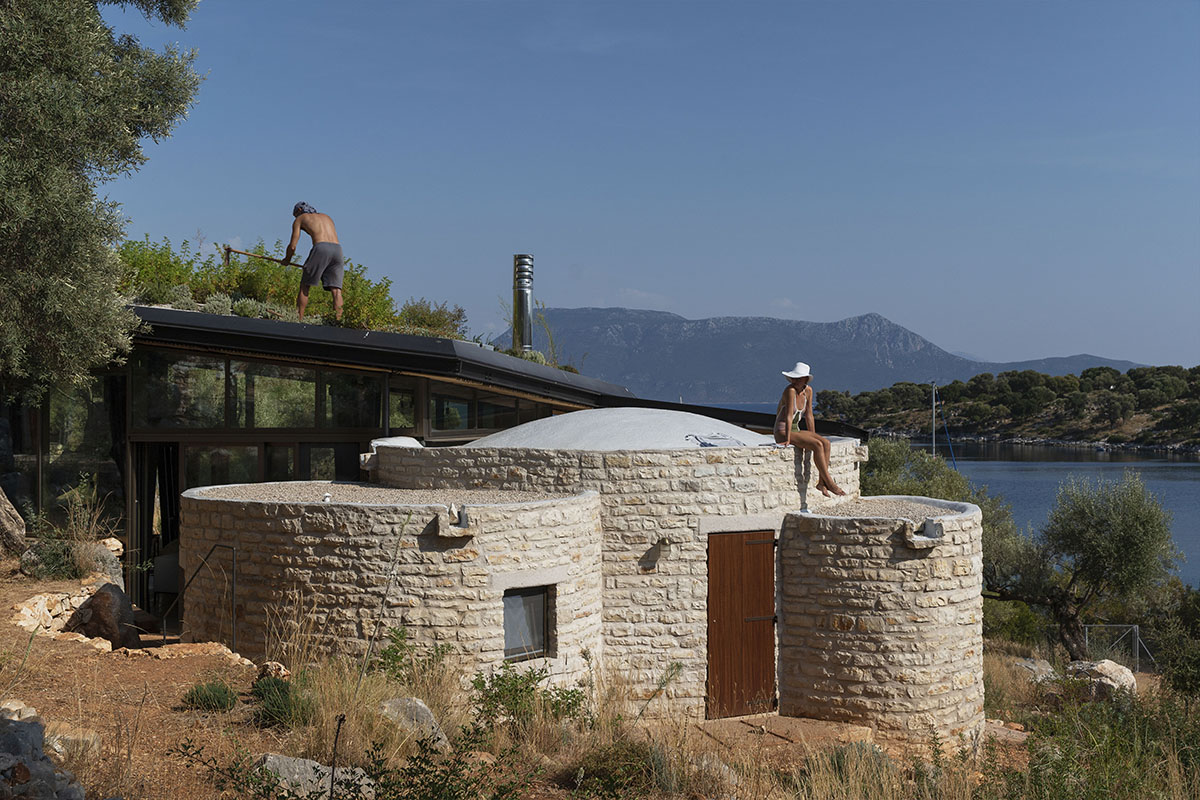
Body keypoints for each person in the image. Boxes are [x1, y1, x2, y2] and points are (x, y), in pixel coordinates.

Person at [774, 361, 845, 497]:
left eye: (798, 378)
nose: (795, 381)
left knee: (825, 443)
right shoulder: (790, 391)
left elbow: (809, 415)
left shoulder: (808, 391)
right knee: (817, 445)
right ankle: (830, 483)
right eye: (793, 378)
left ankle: (821, 483)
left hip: (796, 430)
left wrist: (812, 436)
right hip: (783, 431)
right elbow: (788, 416)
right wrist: (787, 439)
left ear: (805, 379)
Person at [283, 201, 343, 322]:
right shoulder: (327, 217)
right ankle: (339, 322)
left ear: (299, 211)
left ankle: (298, 320)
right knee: (336, 290)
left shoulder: (300, 219)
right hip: (337, 250)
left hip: (321, 248)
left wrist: (287, 259)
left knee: (305, 285)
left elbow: (292, 246)